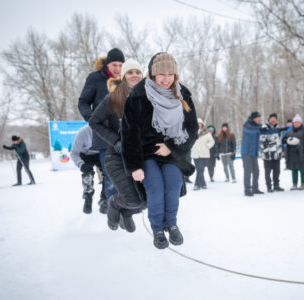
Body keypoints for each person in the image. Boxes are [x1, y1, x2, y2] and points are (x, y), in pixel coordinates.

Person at [121, 52, 198, 249]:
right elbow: (129, 134)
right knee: (155, 187)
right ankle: (157, 229)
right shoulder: (138, 95)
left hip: (171, 153)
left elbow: (191, 130)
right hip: (145, 153)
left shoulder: (183, 94)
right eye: (161, 74)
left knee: (173, 184)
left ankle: (171, 224)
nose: (166, 79)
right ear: (152, 74)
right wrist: (134, 166)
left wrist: (171, 148)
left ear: (175, 75)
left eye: (170, 74)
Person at [89, 59, 145, 232]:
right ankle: (114, 203)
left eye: (137, 72)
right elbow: (94, 122)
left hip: (139, 157)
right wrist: (115, 140)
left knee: (146, 200)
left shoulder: (148, 97)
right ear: (123, 76)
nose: (134, 75)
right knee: (134, 199)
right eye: (130, 72)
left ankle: (127, 213)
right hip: (117, 157)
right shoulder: (113, 98)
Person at [78, 48, 125, 204]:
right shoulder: (95, 79)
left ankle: (125, 205)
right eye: (114, 65)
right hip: (104, 134)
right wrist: (91, 117)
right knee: (110, 173)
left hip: (127, 134)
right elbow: (83, 102)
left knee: (128, 172)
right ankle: (114, 207)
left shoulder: (128, 78)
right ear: (107, 64)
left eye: (120, 65)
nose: (117, 69)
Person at [70, 125, 106, 214]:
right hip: (85, 154)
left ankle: (105, 199)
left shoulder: (107, 130)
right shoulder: (83, 132)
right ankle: (88, 196)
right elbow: (73, 153)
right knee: (87, 172)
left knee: (108, 173)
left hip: (101, 153)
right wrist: (81, 165)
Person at [241, 111, 264, 196]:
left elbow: (263, 131)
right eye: (258, 118)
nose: (259, 119)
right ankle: (247, 190)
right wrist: (260, 128)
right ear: (254, 118)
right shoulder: (247, 125)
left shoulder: (257, 126)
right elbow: (251, 131)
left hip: (254, 153)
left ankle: (255, 188)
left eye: (260, 118)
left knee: (256, 171)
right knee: (248, 172)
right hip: (246, 153)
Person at [259, 113, 284, 192]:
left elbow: (279, 140)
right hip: (268, 154)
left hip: (277, 154)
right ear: (269, 119)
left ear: (276, 120)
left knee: (277, 171)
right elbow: (261, 141)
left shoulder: (278, 128)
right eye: (271, 118)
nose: (273, 120)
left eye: (274, 119)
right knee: (268, 172)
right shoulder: (264, 128)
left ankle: (276, 186)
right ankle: (269, 187)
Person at [283, 114, 304, 190]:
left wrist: (300, 143)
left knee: (302, 169)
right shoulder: (289, 132)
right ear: (293, 123)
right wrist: (288, 141)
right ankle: (294, 184)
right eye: (295, 122)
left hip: (302, 153)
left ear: (301, 123)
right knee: (294, 170)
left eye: (298, 122)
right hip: (292, 153)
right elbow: (283, 140)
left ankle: (303, 184)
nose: (296, 124)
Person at [191, 118, 215, 190]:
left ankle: (197, 185)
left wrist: (207, 146)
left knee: (200, 169)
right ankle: (203, 184)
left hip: (204, 154)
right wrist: (191, 147)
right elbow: (189, 142)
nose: (199, 125)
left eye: (200, 123)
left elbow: (212, 142)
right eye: (197, 123)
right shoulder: (192, 132)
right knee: (199, 170)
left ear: (202, 124)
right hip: (195, 154)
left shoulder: (207, 133)